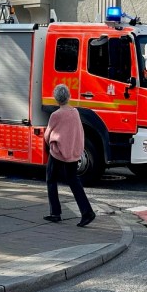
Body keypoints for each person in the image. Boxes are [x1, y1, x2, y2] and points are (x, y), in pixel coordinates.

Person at [43, 83, 96, 228]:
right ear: (68, 97)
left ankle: (55, 212)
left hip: (58, 152)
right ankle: (87, 212)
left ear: (56, 99)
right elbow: (79, 131)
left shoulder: (55, 115)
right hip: (73, 152)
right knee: (73, 180)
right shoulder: (75, 112)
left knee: (51, 179)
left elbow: (47, 134)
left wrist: (50, 143)